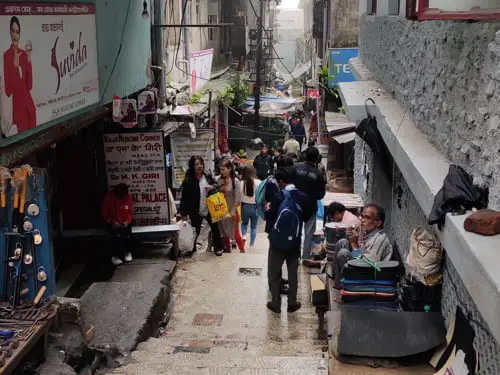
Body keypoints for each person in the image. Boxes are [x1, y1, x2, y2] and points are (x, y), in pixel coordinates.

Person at [266, 167, 310, 314]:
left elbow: (270, 216)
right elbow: (308, 214)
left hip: (277, 241)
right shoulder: (302, 195)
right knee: (292, 271)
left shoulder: (279, 196)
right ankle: (292, 303)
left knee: (274, 271)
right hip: (294, 241)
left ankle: (276, 303)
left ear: (281, 182)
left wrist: (268, 210)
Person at [334, 204, 393, 288]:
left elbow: (367, 265)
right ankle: (338, 283)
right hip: (363, 268)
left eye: (367, 218)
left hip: (371, 276)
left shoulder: (379, 239)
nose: (362, 220)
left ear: (378, 223)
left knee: (343, 253)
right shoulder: (369, 234)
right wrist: (352, 240)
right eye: (362, 216)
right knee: (342, 242)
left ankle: (347, 289)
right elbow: (361, 253)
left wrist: (354, 244)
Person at [180, 156, 224, 256]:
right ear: (192, 166)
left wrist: (212, 187)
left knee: (215, 228)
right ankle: (191, 248)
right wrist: (183, 213)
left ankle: (218, 248)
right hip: (195, 209)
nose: (200, 166)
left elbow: (217, 184)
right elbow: (184, 198)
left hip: (209, 207)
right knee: (195, 230)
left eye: (201, 164)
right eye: (197, 164)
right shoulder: (188, 181)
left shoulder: (207, 176)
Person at [3, 16, 36, 134]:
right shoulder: (6, 56)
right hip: (19, 111)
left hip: (30, 108)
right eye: (13, 31)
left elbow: (29, 85)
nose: (15, 35)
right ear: (10, 32)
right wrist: (15, 67)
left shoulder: (23, 53)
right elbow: (8, 90)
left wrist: (29, 58)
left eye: (17, 32)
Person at [297, 146, 325, 260]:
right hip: (311, 207)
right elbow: (320, 195)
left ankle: (295, 256)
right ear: (317, 158)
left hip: (296, 205)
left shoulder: (296, 169)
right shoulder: (318, 174)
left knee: (296, 232)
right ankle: (305, 257)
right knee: (308, 234)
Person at [102, 184, 134, 265]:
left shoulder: (128, 197)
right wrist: (112, 222)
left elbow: (130, 212)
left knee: (127, 234)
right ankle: (115, 256)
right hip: (112, 222)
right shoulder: (109, 198)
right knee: (115, 236)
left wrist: (127, 221)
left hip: (124, 222)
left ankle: (127, 252)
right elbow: (105, 214)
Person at [218, 159, 245, 253]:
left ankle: (242, 250)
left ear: (229, 169)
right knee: (223, 231)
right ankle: (227, 249)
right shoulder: (219, 180)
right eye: (220, 170)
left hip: (232, 210)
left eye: (223, 169)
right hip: (221, 210)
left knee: (235, 231)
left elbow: (238, 197)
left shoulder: (235, 181)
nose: (222, 172)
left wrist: (233, 209)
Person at [240, 165, 260, 249]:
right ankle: (251, 244)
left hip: (244, 206)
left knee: (244, 223)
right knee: (254, 226)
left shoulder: (241, 183)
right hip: (255, 206)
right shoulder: (258, 182)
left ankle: (244, 236)